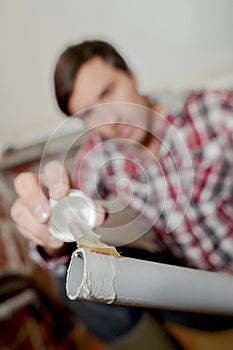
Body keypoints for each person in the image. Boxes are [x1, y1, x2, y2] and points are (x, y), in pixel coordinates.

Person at [11, 40, 233, 350]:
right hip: (196, 294)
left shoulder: (218, 113)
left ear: (131, 74)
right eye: (90, 113)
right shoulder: (98, 157)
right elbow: (67, 219)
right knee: (76, 270)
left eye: (108, 92)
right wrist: (52, 230)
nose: (110, 120)